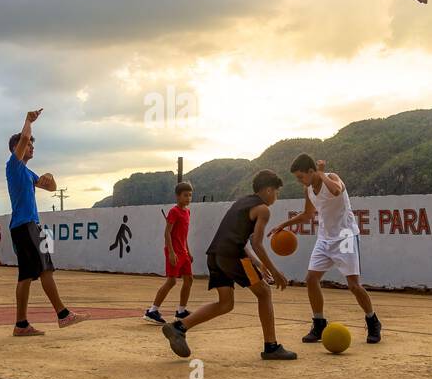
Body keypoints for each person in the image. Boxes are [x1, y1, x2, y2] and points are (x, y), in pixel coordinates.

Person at [161, 170, 296, 360]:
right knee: (264, 292)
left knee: (225, 303)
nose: (276, 196)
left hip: (216, 255)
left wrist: (259, 265)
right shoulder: (263, 209)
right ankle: (271, 346)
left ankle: (180, 327)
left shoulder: (242, 202)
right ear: (268, 190)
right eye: (276, 191)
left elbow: (242, 239)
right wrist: (275, 270)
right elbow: (256, 243)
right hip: (232, 255)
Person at [271, 154, 381, 345]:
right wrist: (284, 224)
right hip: (325, 238)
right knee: (311, 279)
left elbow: (336, 191)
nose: (299, 181)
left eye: (300, 176)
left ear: (311, 171)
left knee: (354, 285)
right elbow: (307, 215)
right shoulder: (309, 190)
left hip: (345, 236)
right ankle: (319, 323)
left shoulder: (333, 177)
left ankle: (372, 321)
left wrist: (322, 174)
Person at [6, 109, 87, 337]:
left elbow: (50, 187)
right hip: (26, 225)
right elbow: (23, 138)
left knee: (25, 276)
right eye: (29, 145)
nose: (32, 148)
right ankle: (63, 314)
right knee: (45, 269)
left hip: (27, 227)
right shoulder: (13, 166)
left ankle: (21, 325)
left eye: (32, 145)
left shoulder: (27, 172)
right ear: (17, 149)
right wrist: (28, 121)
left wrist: (50, 175)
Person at [144, 182, 194, 324]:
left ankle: (181, 311)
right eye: (185, 195)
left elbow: (184, 235)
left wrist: (188, 252)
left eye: (190, 195)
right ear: (178, 196)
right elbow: (167, 234)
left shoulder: (187, 212)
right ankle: (152, 311)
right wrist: (171, 253)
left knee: (189, 279)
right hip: (175, 252)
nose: (188, 198)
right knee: (171, 281)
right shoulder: (174, 211)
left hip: (183, 252)